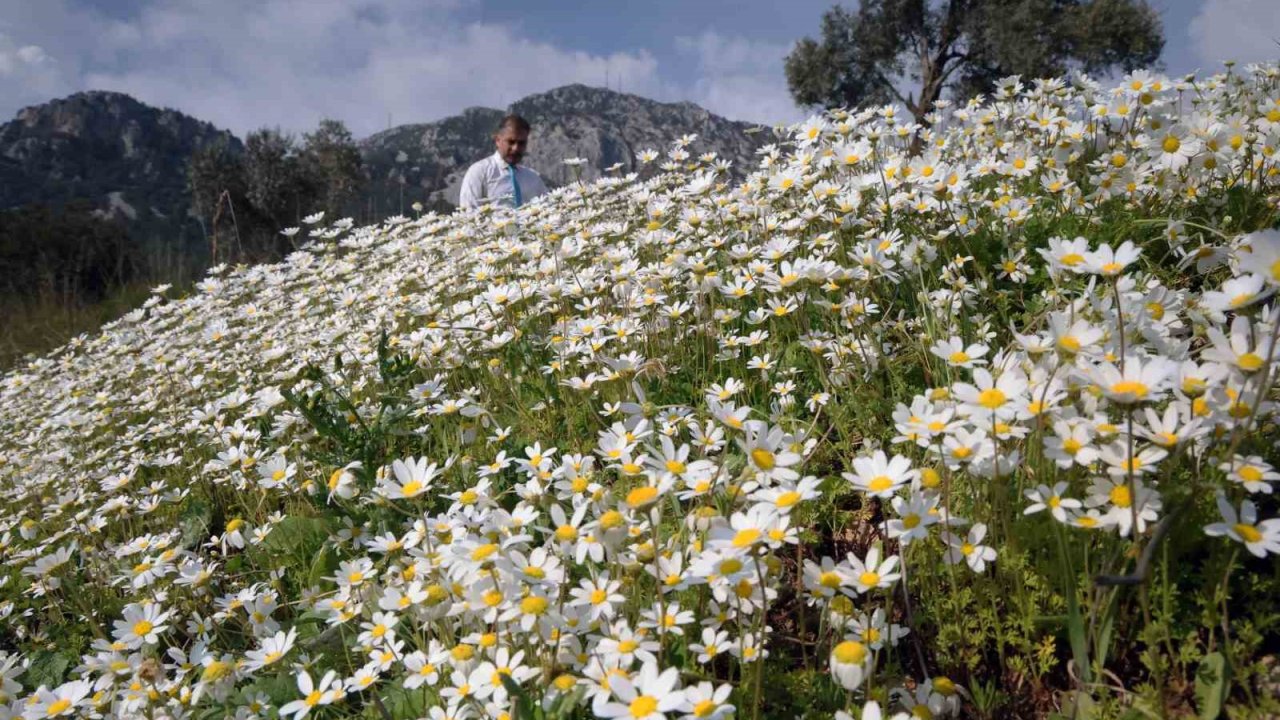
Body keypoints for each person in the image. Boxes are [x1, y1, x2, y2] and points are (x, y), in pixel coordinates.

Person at [458, 114, 549, 210]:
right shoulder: (479, 172)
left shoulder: (533, 178)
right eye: (511, 142)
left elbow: (547, 207)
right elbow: (468, 211)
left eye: (521, 143)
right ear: (498, 140)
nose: (515, 148)